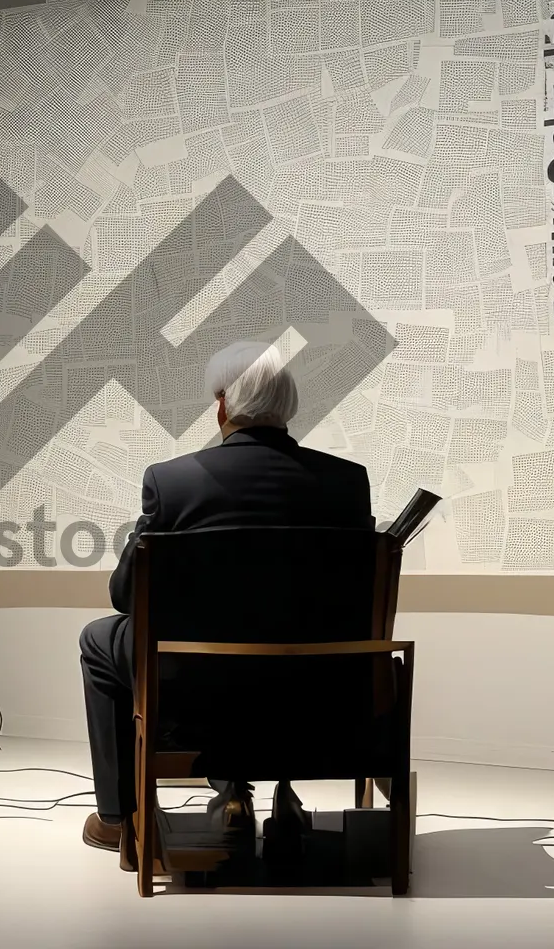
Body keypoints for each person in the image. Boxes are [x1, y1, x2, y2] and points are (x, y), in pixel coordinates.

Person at [79, 341, 374, 859]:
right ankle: (242, 787)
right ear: (288, 407)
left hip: (196, 682)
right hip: (319, 685)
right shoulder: (346, 483)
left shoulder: (173, 482)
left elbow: (126, 595)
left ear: (222, 405)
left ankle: (119, 817)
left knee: (99, 638)